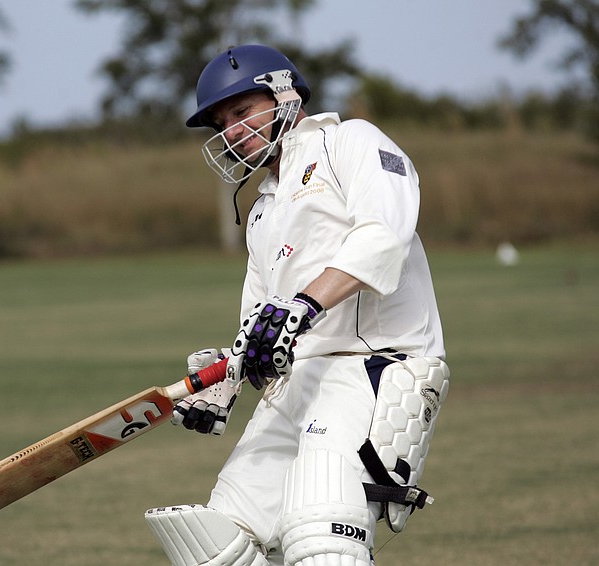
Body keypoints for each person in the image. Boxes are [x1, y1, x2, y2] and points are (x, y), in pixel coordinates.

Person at [144, 45, 449, 566]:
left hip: (368, 366)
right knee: (214, 545)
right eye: (222, 123)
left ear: (284, 93)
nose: (232, 131)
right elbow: (260, 324)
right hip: (294, 388)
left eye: (241, 113)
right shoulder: (263, 210)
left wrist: (304, 305)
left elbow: (383, 239)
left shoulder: (349, 141)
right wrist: (228, 376)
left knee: (320, 534)